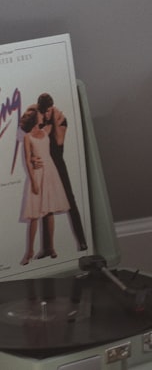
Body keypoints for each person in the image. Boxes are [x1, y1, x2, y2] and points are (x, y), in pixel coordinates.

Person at [36, 93, 88, 254]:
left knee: (71, 202)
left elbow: (59, 141)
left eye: (49, 110)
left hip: (58, 164)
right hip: (44, 165)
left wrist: (55, 121)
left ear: (53, 108)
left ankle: (82, 241)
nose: (47, 114)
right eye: (44, 111)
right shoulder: (40, 122)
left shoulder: (61, 119)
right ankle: (47, 248)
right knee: (45, 205)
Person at [18, 108, 70, 265]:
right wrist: (33, 180)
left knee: (49, 212)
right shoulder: (27, 137)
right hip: (37, 174)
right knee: (34, 215)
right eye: (40, 114)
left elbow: (58, 119)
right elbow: (27, 160)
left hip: (50, 173)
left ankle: (51, 247)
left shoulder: (46, 130)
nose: (43, 115)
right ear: (35, 117)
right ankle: (29, 251)